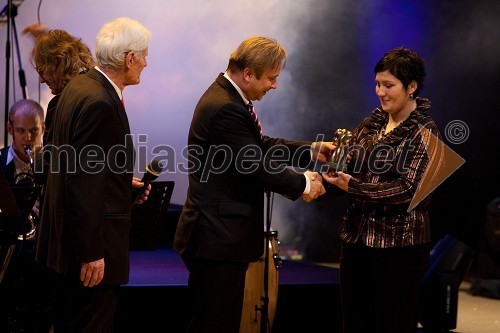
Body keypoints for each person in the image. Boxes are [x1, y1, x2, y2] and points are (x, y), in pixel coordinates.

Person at [173, 36, 334, 333]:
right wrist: (302, 184)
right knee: (215, 324)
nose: (274, 85)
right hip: (216, 238)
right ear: (248, 73)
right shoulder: (225, 106)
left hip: (218, 236)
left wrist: (311, 150)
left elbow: (258, 147)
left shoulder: (229, 98)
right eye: (271, 78)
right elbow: (254, 165)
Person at [35, 17, 151, 332]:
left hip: (65, 246)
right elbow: (81, 183)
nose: (145, 63)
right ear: (129, 59)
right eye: (143, 56)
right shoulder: (100, 101)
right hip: (86, 255)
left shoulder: (78, 88)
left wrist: (118, 181)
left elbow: (77, 166)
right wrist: (92, 253)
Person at [322, 47, 442, 333]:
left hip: (399, 248)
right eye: (377, 84)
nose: (380, 92)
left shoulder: (425, 131)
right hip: (356, 242)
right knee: (354, 323)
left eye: (389, 85)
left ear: (411, 87)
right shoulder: (371, 123)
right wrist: (328, 178)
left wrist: (353, 185)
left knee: (391, 324)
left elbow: (409, 191)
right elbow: (348, 167)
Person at [0, 99, 49, 332]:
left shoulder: (53, 167)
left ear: (44, 129)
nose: (28, 138)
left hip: (43, 256)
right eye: (21, 131)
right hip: (7, 256)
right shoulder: (0, 164)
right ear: (10, 129)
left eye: (34, 131)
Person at [23, 23, 96, 143]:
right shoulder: (97, 86)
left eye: (41, 71)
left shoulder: (59, 106)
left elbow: (52, 160)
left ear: (58, 63)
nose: (41, 80)